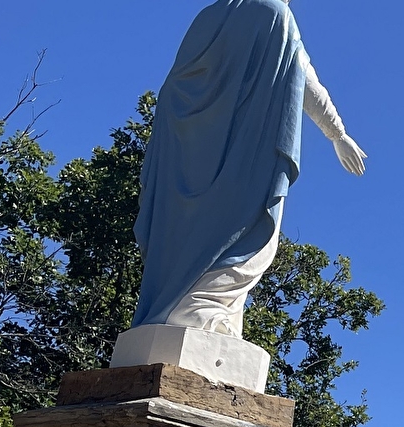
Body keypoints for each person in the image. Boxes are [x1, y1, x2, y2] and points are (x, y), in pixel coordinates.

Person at [132, 0, 366, 338]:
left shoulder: (207, 17)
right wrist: (337, 134)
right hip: (240, 160)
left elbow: (174, 90)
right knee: (244, 236)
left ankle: (177, 312)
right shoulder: (274, 15)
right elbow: (302, 78)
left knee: (183, 241)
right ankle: (204, 312)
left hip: (184, 157)